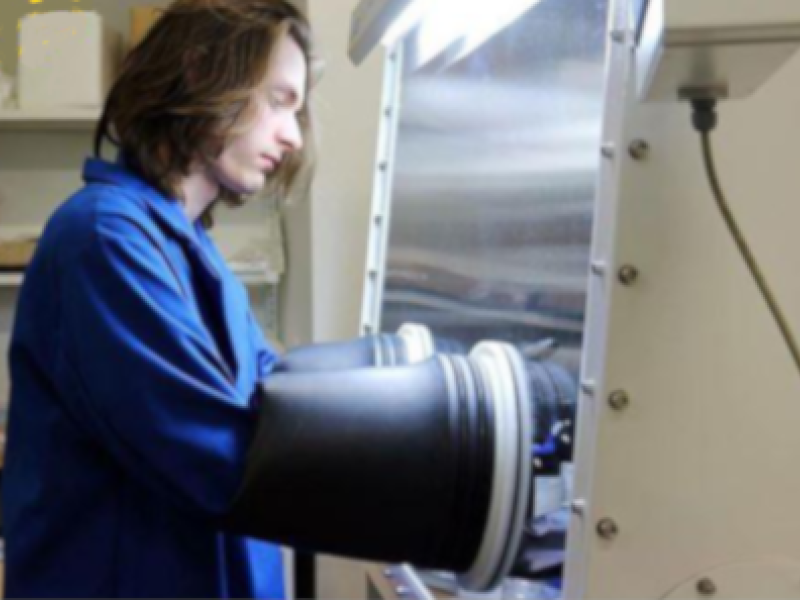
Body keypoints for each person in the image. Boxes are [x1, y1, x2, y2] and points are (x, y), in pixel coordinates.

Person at [2, 0, 314, 597]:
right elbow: (224, 459)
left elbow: (274, 388)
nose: (294, 136)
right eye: (278, 100)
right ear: (201, 73)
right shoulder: (104, 240)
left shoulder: (188, 248)